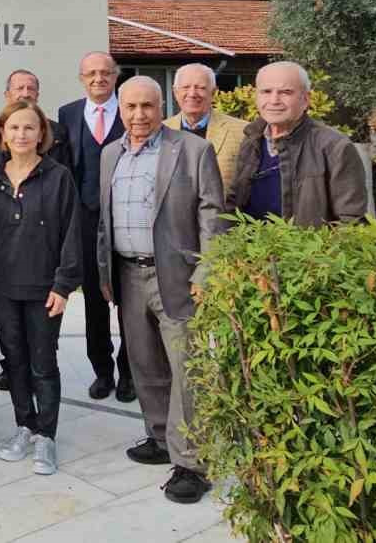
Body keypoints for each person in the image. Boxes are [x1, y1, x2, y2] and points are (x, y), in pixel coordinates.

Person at [96, 76, 225, 504]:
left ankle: (191, 463)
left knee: (185, 367)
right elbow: (105, 219)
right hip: (128, 275)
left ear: (161, 105)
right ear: (120, 108)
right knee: (145, 364)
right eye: (130, 107)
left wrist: (205, 274)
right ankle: (158, 436)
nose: (139, 115)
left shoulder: (193, 150)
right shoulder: (108, 153)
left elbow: (212, 217)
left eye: (147, 106)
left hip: (177, 277)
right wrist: (104, 273)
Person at [0, 99, 82, 476]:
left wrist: (63, 285)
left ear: (41, 134)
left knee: (43, 362)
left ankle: (46, 437)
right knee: (14, 360)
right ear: (2, 134)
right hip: (1, 287)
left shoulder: (58, 176)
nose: (21, 134)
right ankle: (24, 426)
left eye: (29, 127)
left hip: (43, 287)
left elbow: (71, 232)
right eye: (13, 128)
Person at [55, 52, 133, 403]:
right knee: (93, 303)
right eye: (91, 73)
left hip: (128, 220)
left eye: (105, 72)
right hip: (85, 222)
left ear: (116, 76)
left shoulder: (131, 109)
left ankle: (129, 371)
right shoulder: (68, 114)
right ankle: (102, 371)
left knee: (130, 300)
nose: (98, 78)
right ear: (81, 78)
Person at [227, 60, 368, 225]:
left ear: (306, 99)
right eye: (266, 91)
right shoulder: (251, 139)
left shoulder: (334, 147)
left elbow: (351, 221)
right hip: (250, 248)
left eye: (285, 92)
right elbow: (234, 202)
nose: (274, 100)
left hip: (307, 249)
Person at [163, 63, 247, 191]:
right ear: (175, 92)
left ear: (213, 92)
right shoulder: (161, 132)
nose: (192, 93)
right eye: (185, 87)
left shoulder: (242, 131)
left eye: (200, 88)